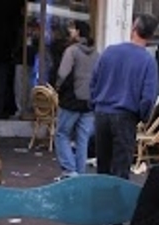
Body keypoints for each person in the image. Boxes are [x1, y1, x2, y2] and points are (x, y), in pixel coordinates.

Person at [90, 14, 158, 225]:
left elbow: (94, 80)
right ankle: (114, 222)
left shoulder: (109, 51)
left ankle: (100, 216)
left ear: (133, 28)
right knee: (120, 170)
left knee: (103, 166)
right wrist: (142, 117)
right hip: (125, 115)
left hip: (102, 112)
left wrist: (96, 103)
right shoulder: (147, 61)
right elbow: (148, 97)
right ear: (151, 35)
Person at [53, 20, 98, 179]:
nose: (70, 31)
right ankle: (80, 173)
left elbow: (62, 74)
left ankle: (69, 170)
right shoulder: (96, 53)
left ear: (78, 32)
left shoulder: (72, 51)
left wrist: (57, 87)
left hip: (71, 101)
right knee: (82, 138)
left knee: (62, 134)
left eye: (73, 29)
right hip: (88, 103)